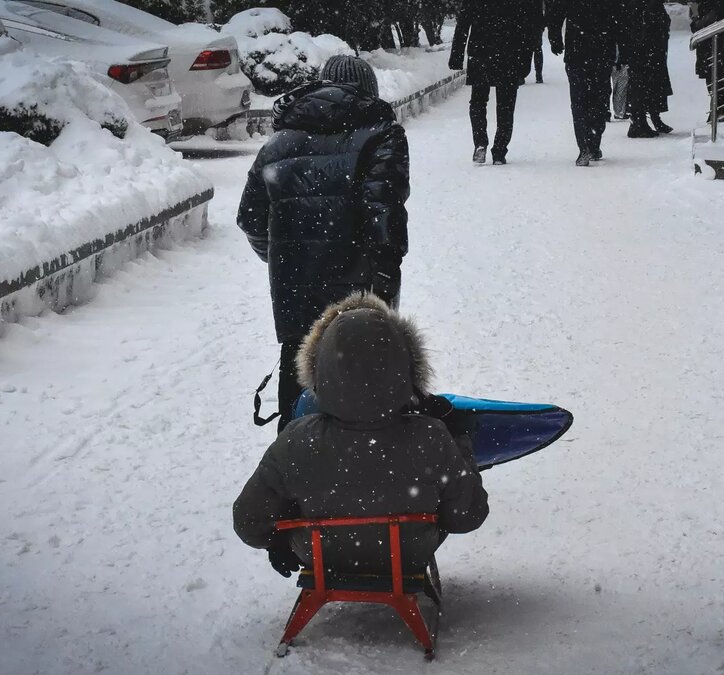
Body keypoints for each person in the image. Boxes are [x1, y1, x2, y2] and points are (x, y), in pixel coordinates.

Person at [233, 293, 490, 578]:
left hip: (320, 555)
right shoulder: (431, 436)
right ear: (406, 366)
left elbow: (248, 521)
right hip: (407, 553)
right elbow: (468, 515)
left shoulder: (297, 439)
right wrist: (461, 441)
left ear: (319, 370)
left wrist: (280, 538)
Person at [237, 55, 409, 429]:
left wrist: (286, 258)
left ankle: (296, 470)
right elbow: (385, 219)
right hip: (360, 289)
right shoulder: (381, 135)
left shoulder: (279, 142)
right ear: (368, 92)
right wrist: (383, 291)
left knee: (299, 383)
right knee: (365, 387)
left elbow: (249, 218)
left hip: (295, 293)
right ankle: (363, 473)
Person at [450, 0, 544, 165]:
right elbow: (531, 21)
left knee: (478, 101)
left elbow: (464, 20)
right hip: (510, 50)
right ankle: (500, 150)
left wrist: (457, 54)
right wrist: (528, 54)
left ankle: (480, 142)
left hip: (481, 50)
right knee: (506, 104)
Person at [547, 0, 632, 166]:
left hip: (578, 50)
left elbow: (555, 13)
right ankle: (593, 141)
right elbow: (620, 18)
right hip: (601, 50)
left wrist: (555, 38)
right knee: (598, 99)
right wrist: (623, 49)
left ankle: (585, 144)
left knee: (580, 100)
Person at [625, 0, 674, 137]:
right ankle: (639, 122)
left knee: (650, 84)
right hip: (645, 48)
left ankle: (647, 119)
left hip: (649, 47)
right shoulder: (643, 7)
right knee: (642, 84)